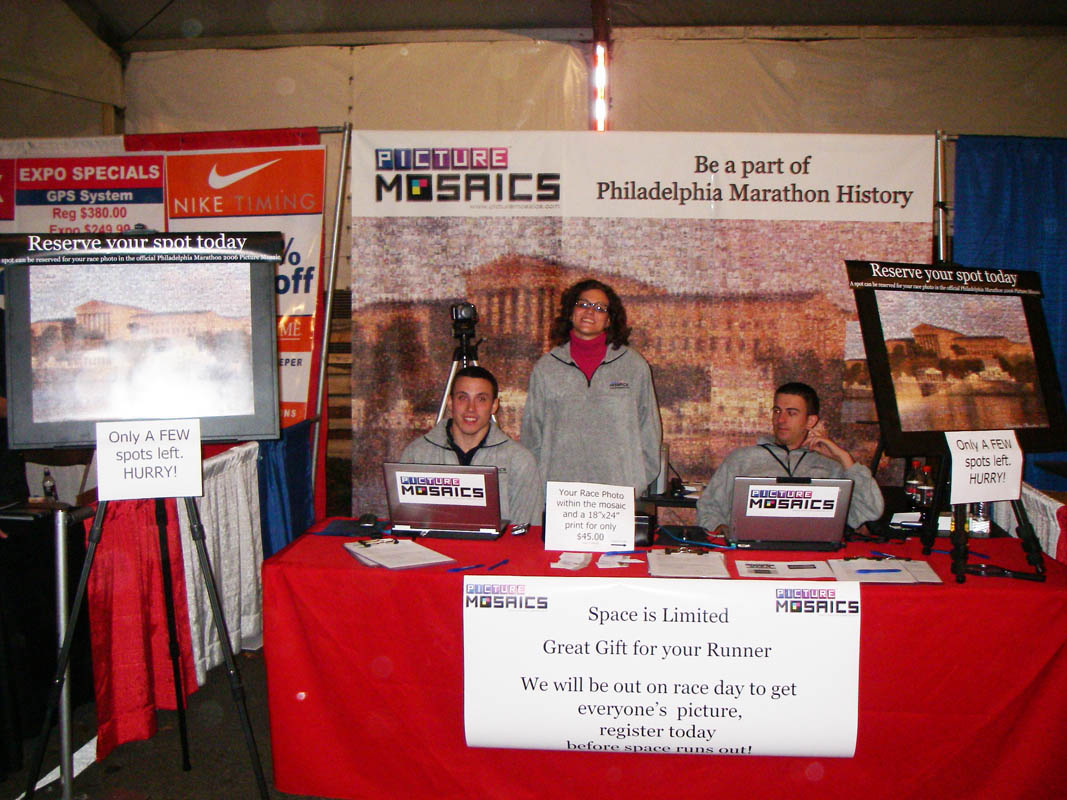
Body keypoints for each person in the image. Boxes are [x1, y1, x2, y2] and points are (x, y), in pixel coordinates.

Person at [522, 278, 662, 494]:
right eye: (583, 304)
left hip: (618, 495)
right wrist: (542, 483)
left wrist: (636, 481)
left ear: (609, 320)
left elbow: (649, 431)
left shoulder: (634, 366)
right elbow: (532, 435)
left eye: (599, 308)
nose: (590, 312)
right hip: (561, 496)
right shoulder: (546, 368)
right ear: (571, 312)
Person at [696, 381, 884, 532]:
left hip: (815, 556)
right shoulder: (742, 459)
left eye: (791, 413)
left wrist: (845, 460)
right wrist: (722, 530)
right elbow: (709, 507)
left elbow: (871, 510)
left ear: (810, 421)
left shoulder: (831, 466)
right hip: (751, 552)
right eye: (777, 411)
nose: (781, 420)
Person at [400, 365, 542, 527]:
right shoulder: (417, 455)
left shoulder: (519, 461)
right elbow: (406, 527)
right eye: (462, 398)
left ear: (494, 406)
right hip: (430, 552)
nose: (471, 409)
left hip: (497, 553)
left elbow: (525, 534)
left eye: (481, 399)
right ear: (450, 402)